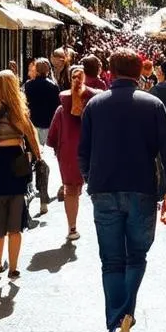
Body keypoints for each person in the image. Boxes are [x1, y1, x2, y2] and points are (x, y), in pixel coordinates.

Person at [79, 48, 166, 332]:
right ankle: (123, 323)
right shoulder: (153, 105)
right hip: (141, 190)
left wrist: (90, 178)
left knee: (111, 261)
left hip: (104, 189)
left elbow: (83, 151)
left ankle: (115, 324)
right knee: (135, 257)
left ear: (111, 70)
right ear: (139, 73)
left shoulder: (95, 105)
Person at [0, 70, 42, 277]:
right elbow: (31, 137)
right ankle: (14, 267)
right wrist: (38, 157)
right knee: (15, 221)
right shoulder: (17, 111)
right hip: (16, 164)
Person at [46, 65, 97, 241]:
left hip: (68, 153)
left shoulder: (61, 109)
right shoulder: (94, 104)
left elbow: (52, 137)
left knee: (71, 190)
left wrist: (58, 150)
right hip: (92, 152)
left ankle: (72, 227)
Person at [23, 58, 61, 146]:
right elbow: (56, 106)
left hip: (33, 121)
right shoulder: (53, 86)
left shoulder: (29, 85)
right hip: (48, 123)